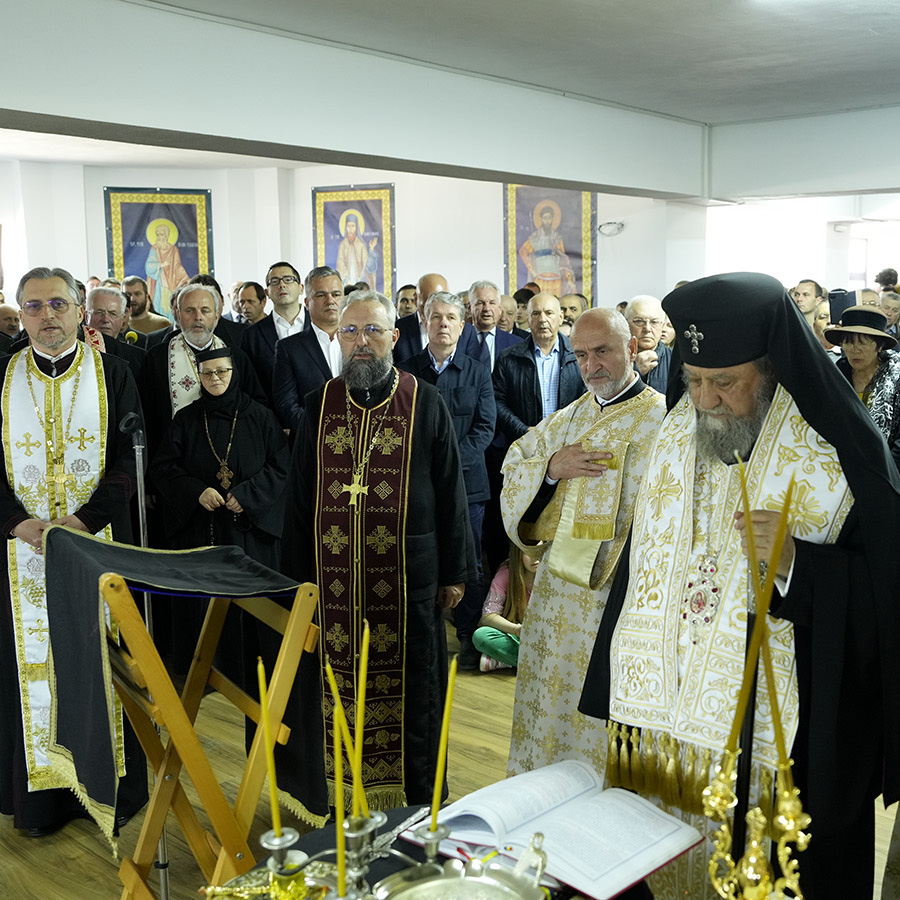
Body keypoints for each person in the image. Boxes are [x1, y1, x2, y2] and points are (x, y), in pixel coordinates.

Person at [580, 272, 900, 900]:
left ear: (773, 369)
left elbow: (884, 600)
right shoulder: (675, 435)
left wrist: (798, 564)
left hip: (790, 739)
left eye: (725, 382)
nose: (705, 400)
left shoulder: (842, 451)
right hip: (666, 730)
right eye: (694, 379)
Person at [281, 289, 476, 821]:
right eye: (350, 331)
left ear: (394, 337)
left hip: (409, 578)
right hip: (332, 584)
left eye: (371, 331)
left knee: (415, 690)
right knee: (334, 683)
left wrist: (456, 572)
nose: (360, 342)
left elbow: (451, 491)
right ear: (337, 339)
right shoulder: (319, 404)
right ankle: (340, 792)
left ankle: (414, 799)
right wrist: (295, 580)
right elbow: (299, 498)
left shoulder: (424, 400)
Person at [0, 266, 147, 838]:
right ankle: (43, 801)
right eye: (34, 306)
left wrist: (86, 520)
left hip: (96, 544)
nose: (47, 316)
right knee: (30, 665)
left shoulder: (114, 373)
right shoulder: (1, 376)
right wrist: (16, 522)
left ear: (79, 310)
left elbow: (129, 460)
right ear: (21, 313)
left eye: (58, 304)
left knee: (101, 659)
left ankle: (109, 787)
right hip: (20, 553)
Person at [500, 308, 666, 777]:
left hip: (619, 595)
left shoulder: (663, 419)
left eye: (603, 351)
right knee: (552, 701)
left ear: (631, 348)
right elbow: (516, 462)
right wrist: (550, 469)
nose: (592, 365)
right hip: (557, 596)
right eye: (581, 355)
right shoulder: (570, 416)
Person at [398, 291, 496, 670]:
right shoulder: (405, 372)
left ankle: (469, 637)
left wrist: (449, 466)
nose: (443, 324)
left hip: (469, 488)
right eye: (436, 317)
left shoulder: (477, 371)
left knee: (468, 562)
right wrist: (429, 470)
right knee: (421, 559)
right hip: (417, 488)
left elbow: (484, 428)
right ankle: (422, 636)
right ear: (425, 322)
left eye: (450, 317)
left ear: (462, 325)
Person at [826, 305, 900, 468]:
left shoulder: (896, 376)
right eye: (848, 342)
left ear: (879, 346)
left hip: (888, 468)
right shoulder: (838, 373)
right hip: (841, 466)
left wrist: (890, 472)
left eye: (863, 342)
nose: (855, 350)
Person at [272, 266, 345, 433]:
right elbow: (287, 405)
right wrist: (320, 432)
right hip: (312, 438)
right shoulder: (289, 348)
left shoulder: (360, 341)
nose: (330, 300)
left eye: (336, 294)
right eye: (321, 295)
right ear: (306, 302)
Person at [472, 543, 538, 672]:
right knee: (481, 636)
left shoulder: (555, 574)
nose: (535, 558)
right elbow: (488, 615)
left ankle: (506, 660)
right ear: (518, 553)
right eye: (528, 552)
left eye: (538, 552)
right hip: (520, 635)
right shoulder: (507, 573)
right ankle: (538, 665)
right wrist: (517, 630)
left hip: (547, 637)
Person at [518, 205, 576, 296]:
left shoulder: (557, 237)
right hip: (540, 277)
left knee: (555, 302)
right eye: (545, 218)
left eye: (549, 218)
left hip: (556, 279)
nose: (547, 221)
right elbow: (523, 251)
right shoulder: (535, 237)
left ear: (553, 219)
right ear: (541, 219)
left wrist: (569, 279)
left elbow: (563, 259)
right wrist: (532, 270)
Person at [145, 223, 189, 317]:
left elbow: (177, 267)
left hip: (171, 283)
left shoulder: (173, 249)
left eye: (161, 234)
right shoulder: (154, 249)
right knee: (157, 304)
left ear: (166, 236)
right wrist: (161, 265)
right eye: (157, 235)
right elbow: (149, 265)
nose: (159, 237)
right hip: (158, 283)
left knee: (170, 307)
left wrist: (186, 278)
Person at [336, 214, 378, 287]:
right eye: (348, 226)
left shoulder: (361, 245)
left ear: (356, 227)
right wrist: (347, 279)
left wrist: (371, 249)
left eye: (353, 226)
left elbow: (368, 265)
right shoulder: (343, 245)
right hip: (347, 283)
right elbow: (340, 263)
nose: (350, 229)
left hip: (360, 282)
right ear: (346, 227)